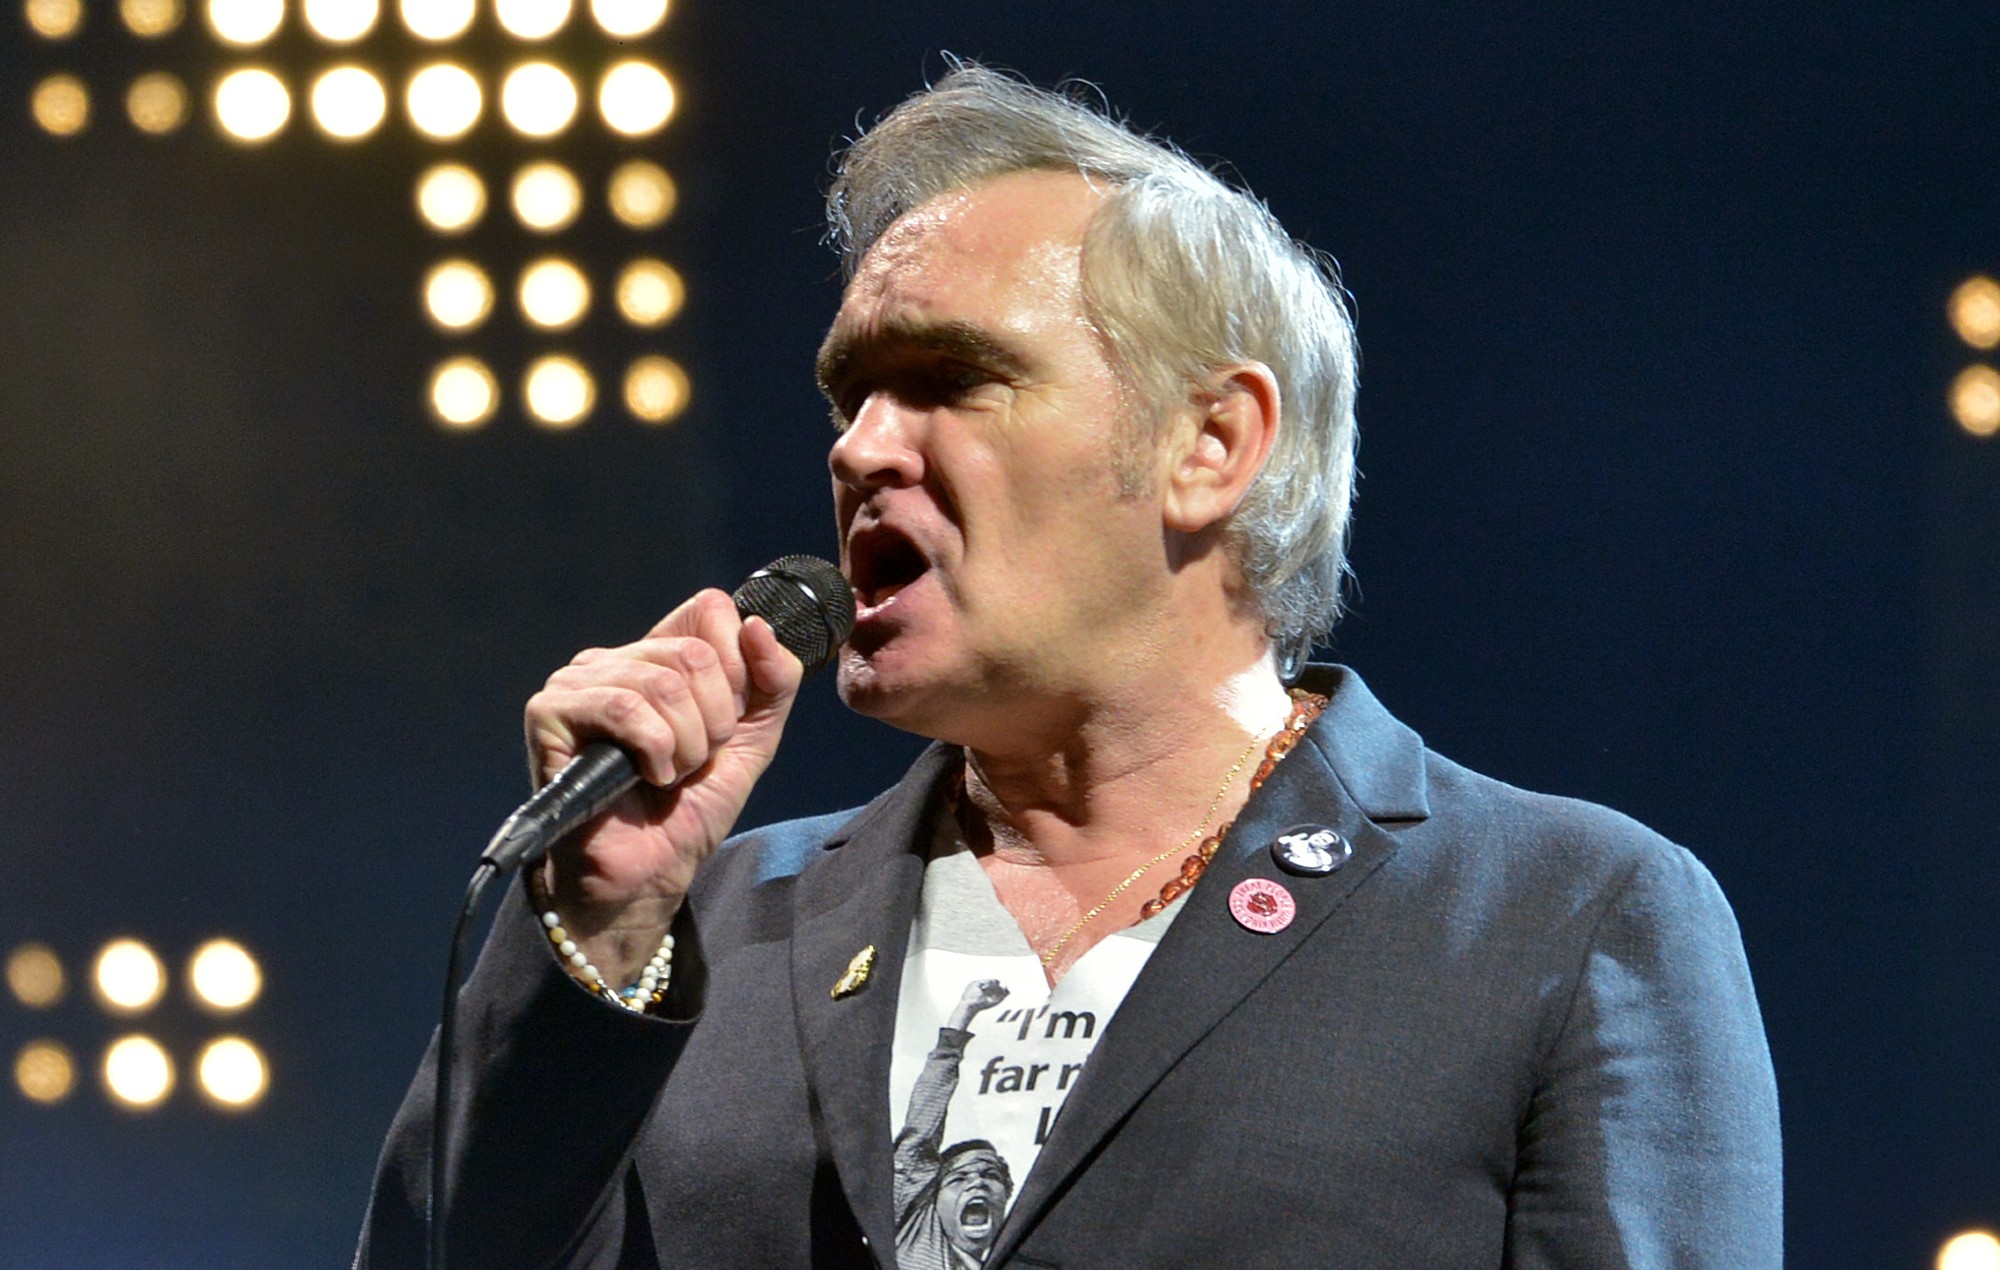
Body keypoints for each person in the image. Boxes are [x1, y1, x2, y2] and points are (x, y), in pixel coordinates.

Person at [359, 64, 1782, 1268]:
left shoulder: (1557, 920)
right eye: (850, 397)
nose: (861, 449)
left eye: (951, 379)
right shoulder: (710, 929)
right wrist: (600, 932)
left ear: (1209, 444)